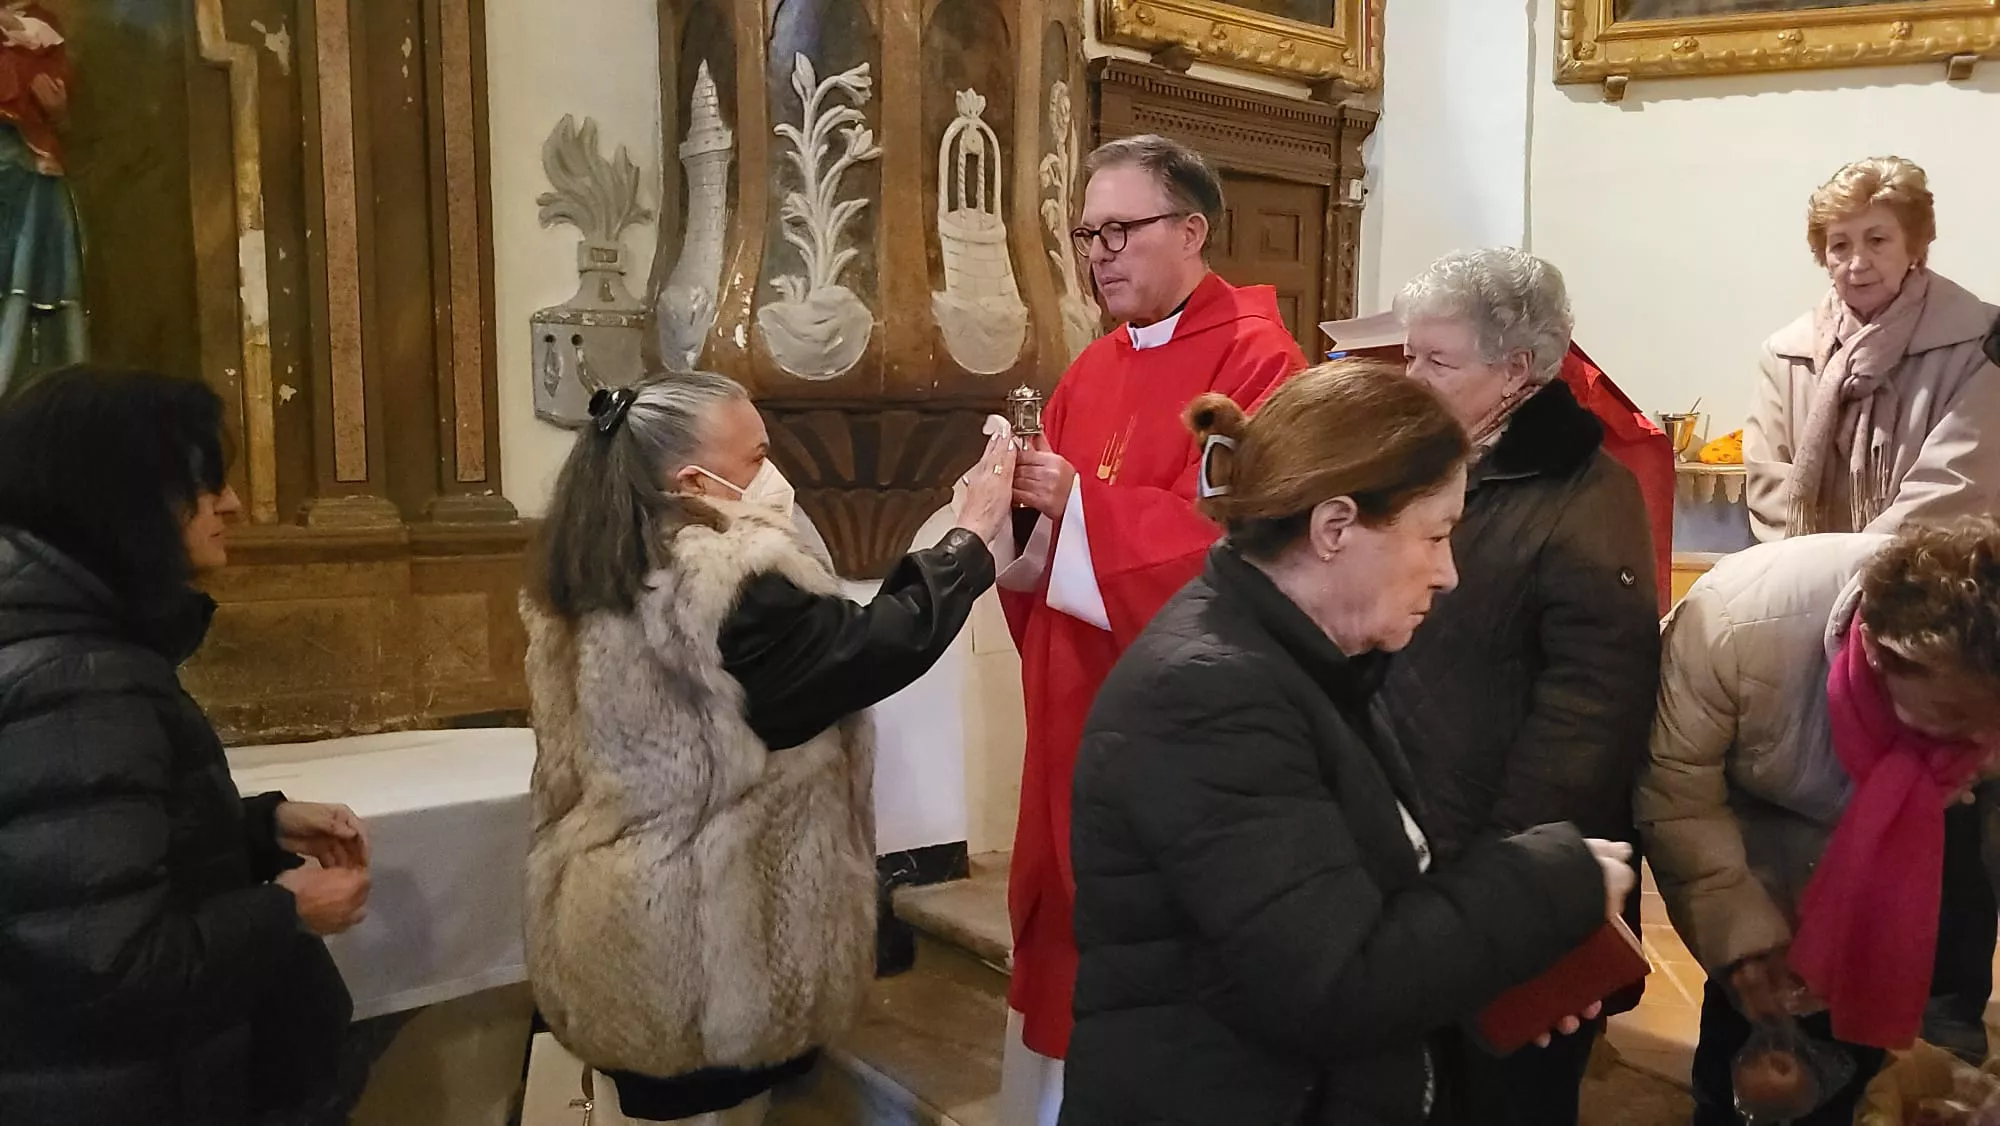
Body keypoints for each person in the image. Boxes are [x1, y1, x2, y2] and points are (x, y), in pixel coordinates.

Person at [1062, 359, 1634, 1126]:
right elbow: (1334, 987)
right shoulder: (1209, 696)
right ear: (1334, 528)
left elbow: (1356, 909)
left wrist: (1503, 975)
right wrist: (1547, 883)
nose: (1448, 574)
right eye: (1435, 536)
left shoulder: (1305, 657)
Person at [520, 374, 1015, 1126]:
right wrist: (969, 538)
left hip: (620, 920)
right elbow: (867, 650)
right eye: (756, 457)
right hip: (704, 951)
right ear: (694, 482)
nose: (774, 475)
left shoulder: (596, 562)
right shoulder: (721, 580)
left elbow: (822, 653)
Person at [998, 133, 1308, 1121]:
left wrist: (1077, 508)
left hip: (1174, 721)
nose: (1100, 255)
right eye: (1088, 234)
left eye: (1120, 230)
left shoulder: (1259, 360)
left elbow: (1239, 545)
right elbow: (1041, 547)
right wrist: (1008, 517)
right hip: (1072, 692)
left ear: (1191, 230)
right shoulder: (1091, 366)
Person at [0, 367, 370, 1124]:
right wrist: (288, 911)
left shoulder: (64, 642)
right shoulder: (77, 679)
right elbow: (108, 965)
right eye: (203, 482)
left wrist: (257, 826)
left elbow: (65, 867)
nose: (230, 503)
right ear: (120, 495)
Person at [1379, 249, 1660, 1125]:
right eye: (1409, 354)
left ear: (1516, 370)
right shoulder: (1426, 467)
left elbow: (1592, 713)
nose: (1412, 379)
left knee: (1507, 1096)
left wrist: (1503, 879)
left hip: (1512, 865)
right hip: (1416, 853)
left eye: (1437, 360)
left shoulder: (1589, 495)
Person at [1640, 522, 2000, 1125]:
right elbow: (1680, 795)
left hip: (1892, 873)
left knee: (1860, 1066)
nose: (1985, 742)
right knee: (1743, 1047)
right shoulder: (1734, 625)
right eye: (1956, 714)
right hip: (1750, 843)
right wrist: (1742, 939)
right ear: (1880, 654)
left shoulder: (1976, 690)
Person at [1744, 156, 2000, 543]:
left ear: (1914, 246)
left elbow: (1952, 485)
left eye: (1877, 241)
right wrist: (1810, 569)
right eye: (1840, 246)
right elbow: (1770, 485)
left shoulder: (1982, 342)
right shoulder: (1785, 354)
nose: (1857, 263)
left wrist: (1861, 568)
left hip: (1932, 572)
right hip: (1804, 574)